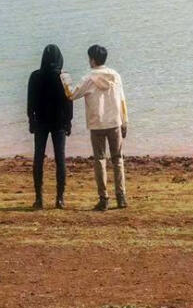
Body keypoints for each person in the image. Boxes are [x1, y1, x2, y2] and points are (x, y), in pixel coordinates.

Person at [62, 45, 128, 211]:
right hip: (115, 122)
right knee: (118, 159)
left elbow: (71, 95)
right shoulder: (115, 76)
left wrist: (65, 78)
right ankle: (121, 196)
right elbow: (122, 100)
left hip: (97, 124)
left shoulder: (88, 78)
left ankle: (104, 197)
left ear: (92, 59)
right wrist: (125, 121)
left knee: (100, 160)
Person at [26, 43, 73, 209]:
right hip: (59, 122)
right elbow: (69, 100)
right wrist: (69, 121)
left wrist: (31, 120)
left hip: (40, 122)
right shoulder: (64, 76)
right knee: (60, 159)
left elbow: (30, 101)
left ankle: (39, 198)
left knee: (38, 158)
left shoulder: (35, 76)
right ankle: (60, 199)